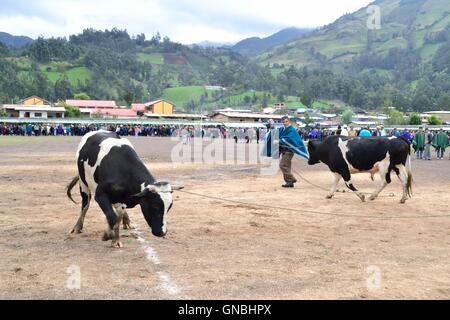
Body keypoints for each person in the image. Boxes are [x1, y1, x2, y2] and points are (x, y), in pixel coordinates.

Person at [264, 116, 309, 188]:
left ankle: (292, 179)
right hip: (284, 150)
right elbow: (275, 132)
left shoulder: (291, 130)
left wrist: (279, 141)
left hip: (289, 151)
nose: (285, 123)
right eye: (283, 122)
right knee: (287, 166)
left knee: (282, 165)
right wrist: (272, 126)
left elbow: (290, 139)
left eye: (286, 121)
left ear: (289, 121)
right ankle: (289, 182)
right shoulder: (282, 129)